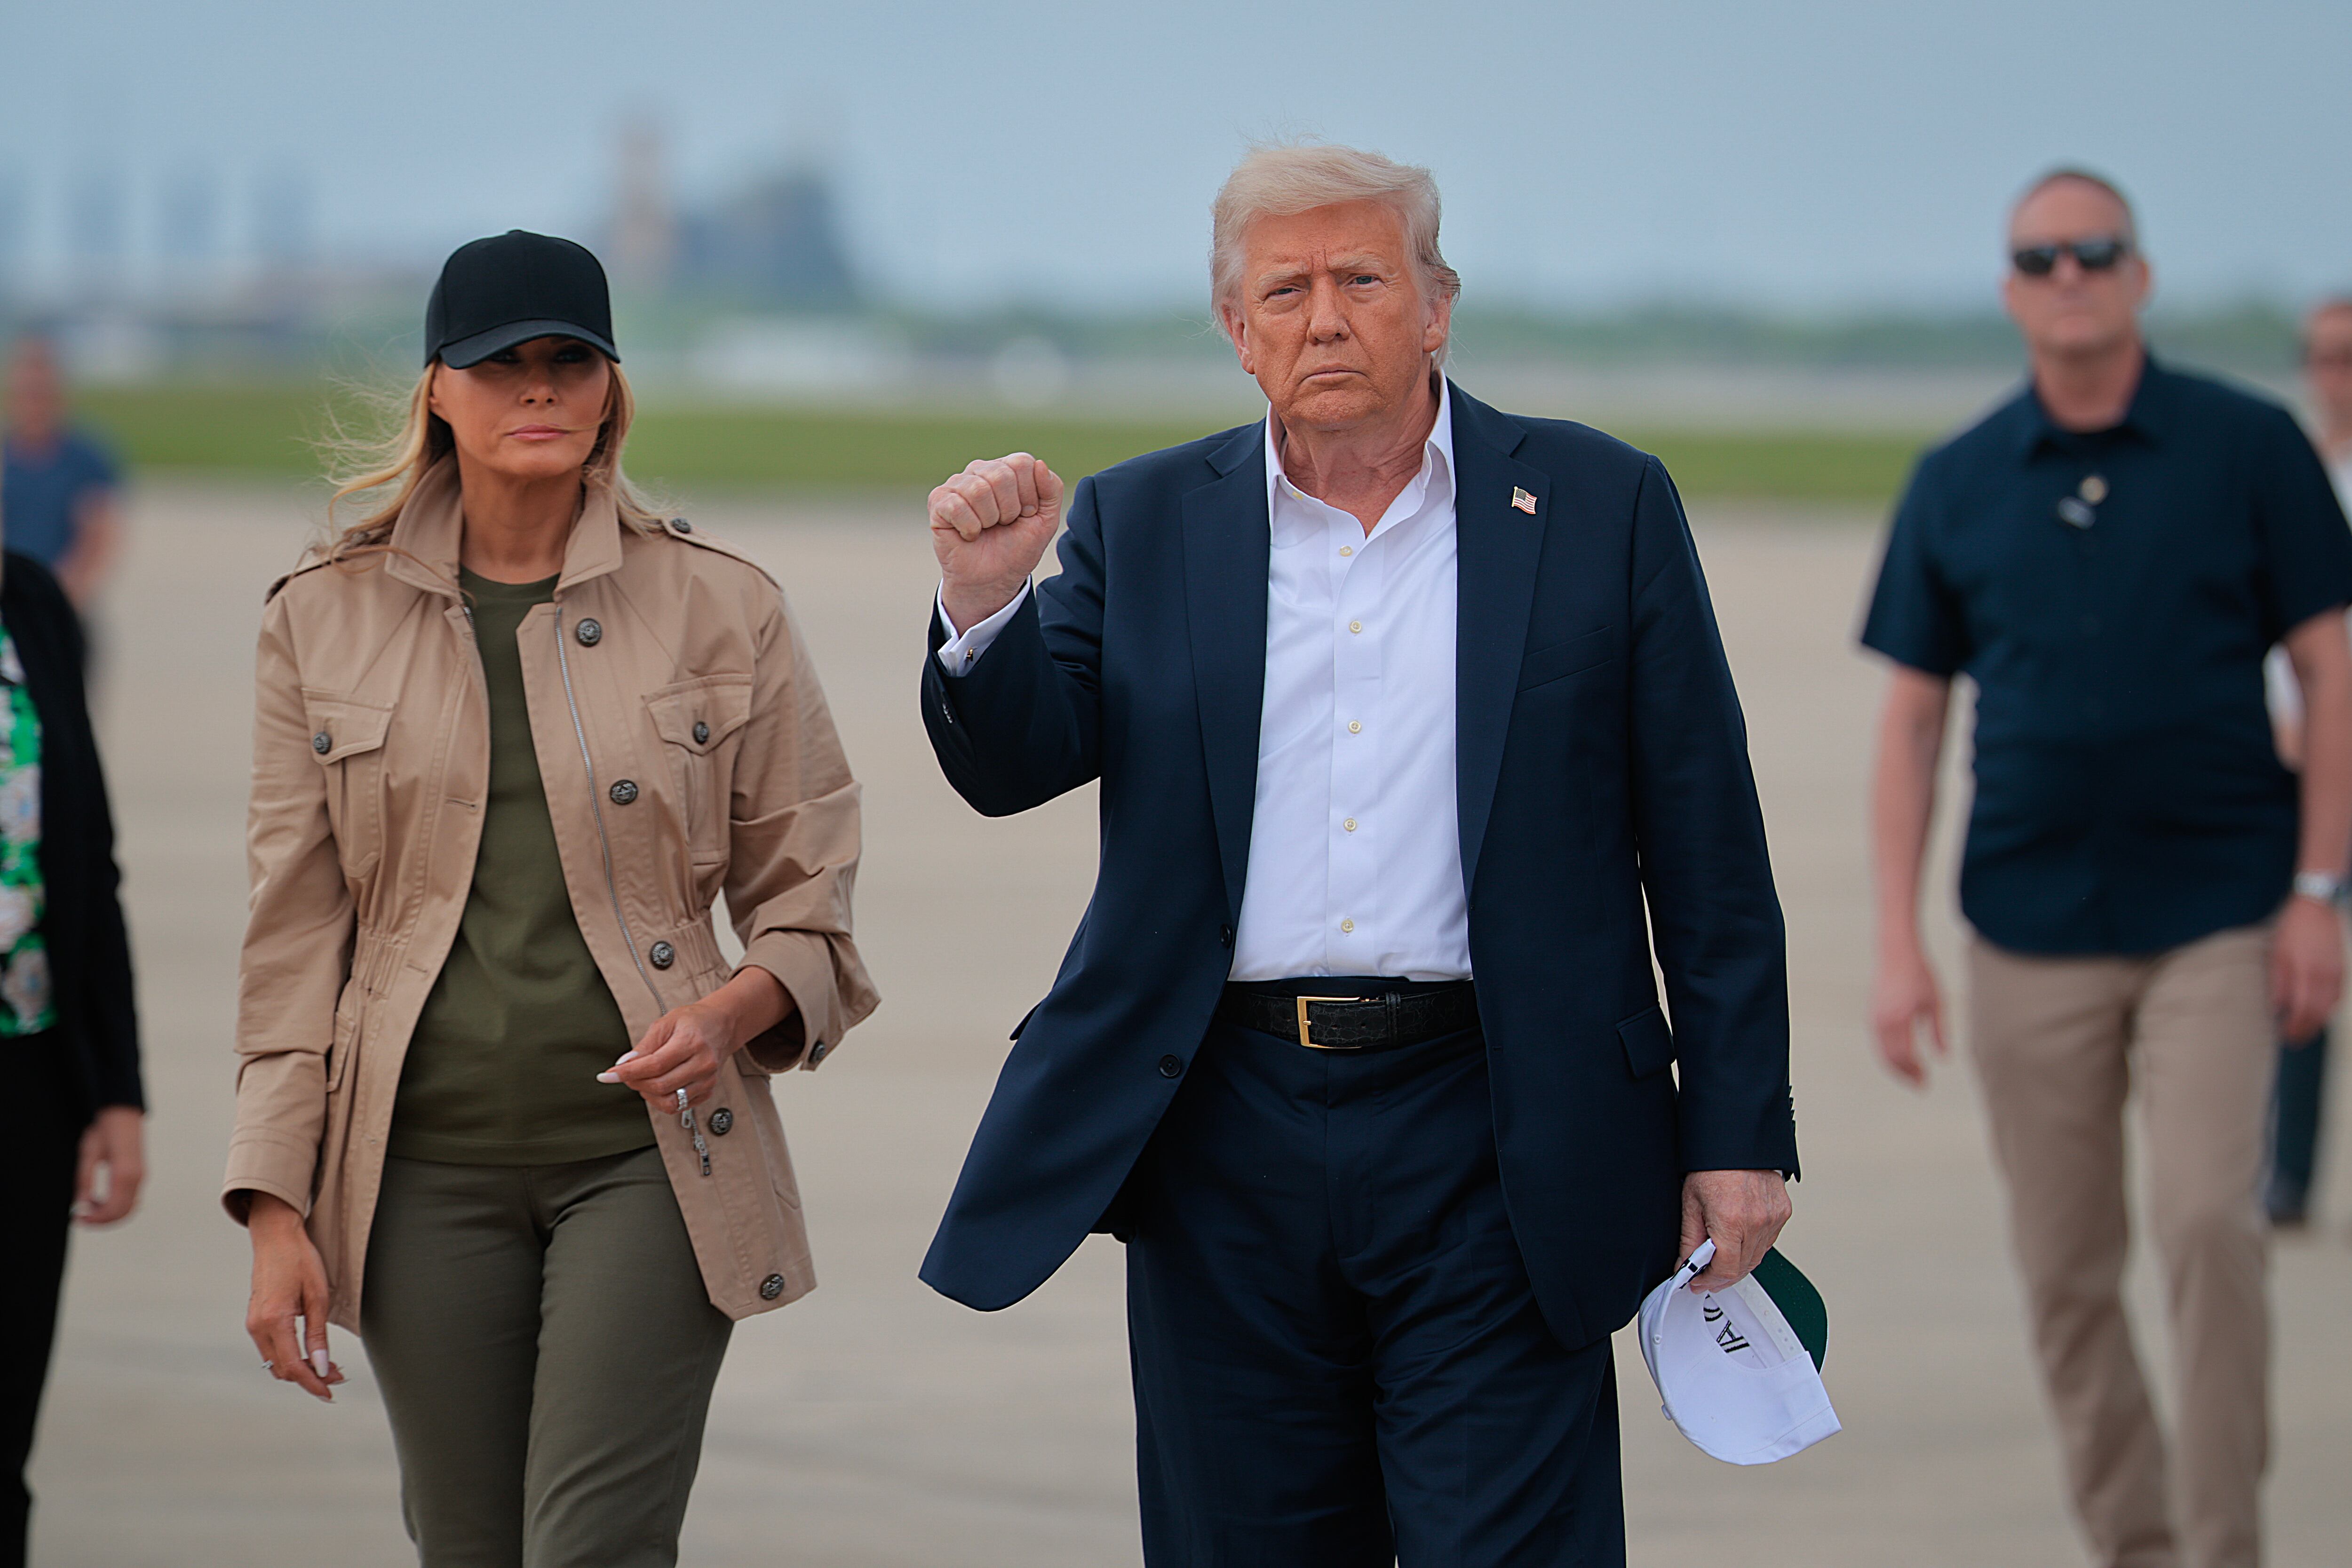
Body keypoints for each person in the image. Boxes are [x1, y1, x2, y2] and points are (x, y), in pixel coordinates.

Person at [919, 143, 1798, 1566]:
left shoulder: (1592, 503)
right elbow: (1014, 760)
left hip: (1502, 1122)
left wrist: (1739, 1131)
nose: (1324, 316)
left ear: (1435, 304)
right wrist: (982, 607)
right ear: (1236, 328)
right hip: (1225, 1124)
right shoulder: (1145, 520)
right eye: (1285, 288)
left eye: (1361, 278)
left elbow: (1704, 842)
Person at [222, 230, 877, 1568]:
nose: (538, 390)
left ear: (609, 392)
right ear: (438, 393)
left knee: (592, 1549)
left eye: (568, 362)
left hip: (649, 1160)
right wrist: (275, 1204)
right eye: (500, 364)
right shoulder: (317, 616)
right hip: (415, 1173)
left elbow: (812, 904)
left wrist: (735, 1007)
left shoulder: (724, 606)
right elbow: (293, 938)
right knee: (469, 1547)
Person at [1864, 171, 2352, 1568]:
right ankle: (2133, 1543)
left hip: (2219, 908)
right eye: (2039, 257)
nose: (2068, 274)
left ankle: (2220, 1545)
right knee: (2067, 1273)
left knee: (2209, 1223)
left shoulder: (2247, 451)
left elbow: (2326, 671)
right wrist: (1896, 947)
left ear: (2138, 275)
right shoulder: (1956, 480)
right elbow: (1908, 723)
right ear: (2011, 289)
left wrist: (2318, 893)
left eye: (2095, 252)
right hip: (2025, 925)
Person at [0, 537, 143, 1568]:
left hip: (27, 1072)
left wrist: (117, 1088)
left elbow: (86, 848)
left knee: (2, 1439)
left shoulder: (28, 598)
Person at [2258, 296, 2352, 1227]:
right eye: (2322, 356)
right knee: (2292, 971)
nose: (2337, 375)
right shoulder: (2289, 473)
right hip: (2298, 763)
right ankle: (2287, 1171)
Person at [0, 337, 123, 609]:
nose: (33, 404)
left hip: (62, 600)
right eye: (26, 393)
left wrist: (60, 594)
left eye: (41, 393)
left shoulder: (86, 460)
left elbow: (98, 538)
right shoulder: (6, 455)